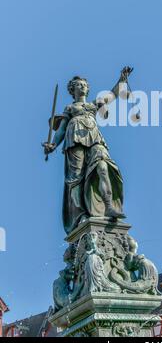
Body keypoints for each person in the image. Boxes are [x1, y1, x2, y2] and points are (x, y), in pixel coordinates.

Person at [43, 67, 133, 234]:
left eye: (84, 84)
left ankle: (109, 207)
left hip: (94, 138)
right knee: (75, 180)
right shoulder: (70, 109)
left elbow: (111, 96)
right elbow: (61, 129)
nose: (82, 87)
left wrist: (121, 81)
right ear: (73, 89)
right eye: (78, 85)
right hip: (74, 140)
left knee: (103, 167)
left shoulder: (93, 105)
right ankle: (80, 216)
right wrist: (53, 145)